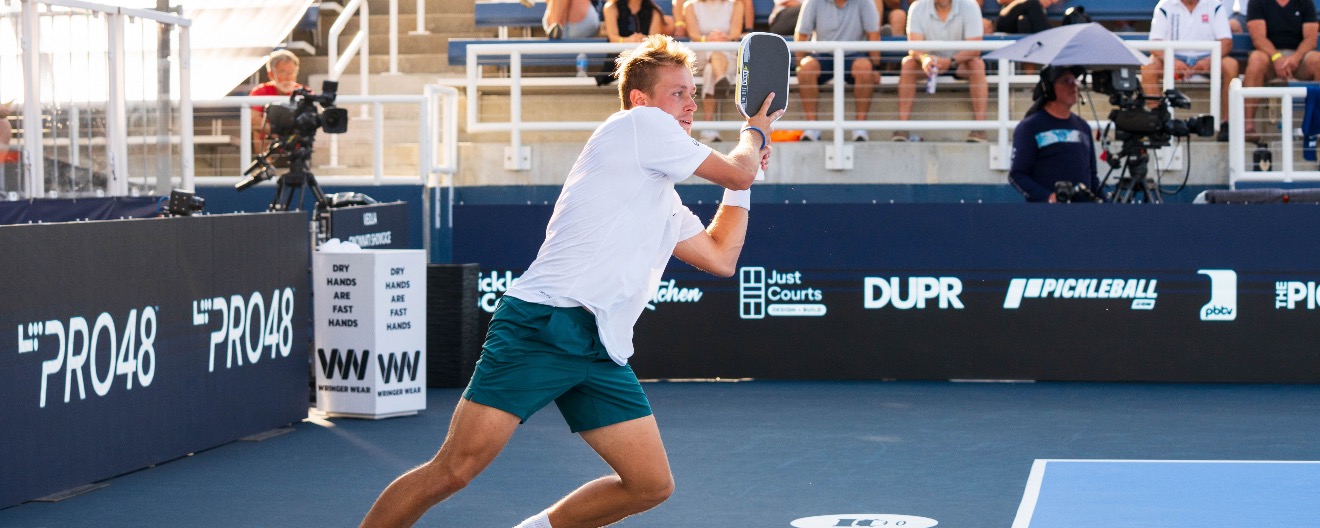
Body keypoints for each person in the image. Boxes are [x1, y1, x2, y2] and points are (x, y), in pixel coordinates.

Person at [358, 34, 782, 528]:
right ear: (642, 100)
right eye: (678, 92)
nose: (691, 104)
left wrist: (746, 184)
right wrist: (755, 134)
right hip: (543, 325)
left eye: (693, 93)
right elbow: (737, 170)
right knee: (455, 470)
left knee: (650, 485)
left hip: (600, 346)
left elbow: (720, 255)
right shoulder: (637, 124)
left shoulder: (661, 195)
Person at [1142, 0, 1238, 142]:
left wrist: (1209, 60)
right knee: (1148, 66)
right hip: (1173, 57)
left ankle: (1227, 124)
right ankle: (1156, 123)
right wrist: (1172, 61)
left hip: (1208, 57)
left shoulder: (1215, 5)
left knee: (1231, 65)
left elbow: (1226, 42)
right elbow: (1154, 43)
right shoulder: (1165, 5)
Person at [896, 0, 989, 142]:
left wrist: (951, 62)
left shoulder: (970, 6)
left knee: (977, 64)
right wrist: (925, 59)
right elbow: (915, 48)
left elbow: (974, 48)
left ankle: (979, 128)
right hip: (929, 65)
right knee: (908, 64)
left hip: (959, 63)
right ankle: (902, 127)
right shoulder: (917, 7)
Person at [1008, 66, 1101, 202]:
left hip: (1083, 215)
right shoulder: (1030, 127)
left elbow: (1092, 176)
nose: (1073, 86)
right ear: (1049, 88)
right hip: (1046, 216)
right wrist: (1048, 197)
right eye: (1066, 81)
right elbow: (1016, 175)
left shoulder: (1084, 127)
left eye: (1074, 81)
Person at [794, 0, 883, 141]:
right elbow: (802, 34)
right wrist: (799, 65)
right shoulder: (813, 2)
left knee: (866, 68)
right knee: (806, 69)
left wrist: (876, 67)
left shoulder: (865, 2)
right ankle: (811, 127)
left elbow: (874, 35)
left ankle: (860, 127)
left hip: (854, 55)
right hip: (822, 55)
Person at [1242, 0, 1320, 141]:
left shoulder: (1305, 3)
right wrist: (1277, 58)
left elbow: (1311, 39)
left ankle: (1317, 125)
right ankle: (1248, 125)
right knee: (1256, 59)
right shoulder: (1256, 2)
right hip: (1269, 57)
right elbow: (1258, 38)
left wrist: (1295, 58)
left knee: (1317, 60)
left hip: (1299, 57)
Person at [685, 0, 745, 142]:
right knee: (714, 50)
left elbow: (735, 34)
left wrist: (724, 38)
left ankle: (708, 125)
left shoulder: (736, 4)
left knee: (711, 70)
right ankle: (721, 80)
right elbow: (694, 35)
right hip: (700, 53)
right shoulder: (690, 6)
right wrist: (709, 39)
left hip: (726, 53)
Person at [248, 50, 304, 155]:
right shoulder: (260, 91)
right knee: (257, 130)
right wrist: (277, 131)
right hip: (269, 139)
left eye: (291, 72)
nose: (288, 77)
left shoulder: (304, 92)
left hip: (295, 140)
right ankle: (265, 166)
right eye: (282, 72)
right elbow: (254, 119)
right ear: (271, 74)